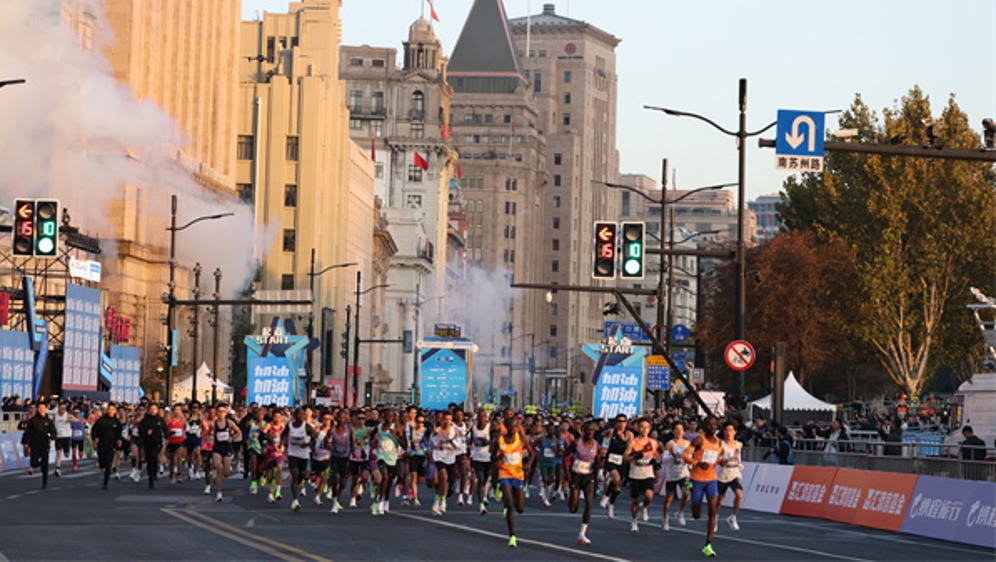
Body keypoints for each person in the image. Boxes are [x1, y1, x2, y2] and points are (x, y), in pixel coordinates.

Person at [682, 415, 722, 558]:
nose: (712, 427)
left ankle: (708, 544)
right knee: (696, 514)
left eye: (714, 425)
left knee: (713, 508)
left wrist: (724, 462)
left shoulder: (718, 442)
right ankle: (692, 503)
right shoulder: (699, 440)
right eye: (710, 425)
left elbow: (718, 459)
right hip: (697, 480)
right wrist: (697, 463)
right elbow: (685, 456)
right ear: (705, 426)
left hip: (711, 480)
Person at [494, 414, 535, 548]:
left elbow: (532, 453)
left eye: (515, 427)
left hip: (518, 475)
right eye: (510, 427)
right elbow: (493, 455)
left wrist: (528, 463)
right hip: (504, 473)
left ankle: (508, 504)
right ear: (506, 427)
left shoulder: (521, 439)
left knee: (520, 508)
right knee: (510, 504)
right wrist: (497, 458)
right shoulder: (500, 440)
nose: (513, 429)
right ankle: (512, 535)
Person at [565, 421, 601, 545]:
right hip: (575, 476)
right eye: (588, 430)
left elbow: (598, 461)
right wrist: (567, 473)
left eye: (592, 431)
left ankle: (582, 533)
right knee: (573, 508)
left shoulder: (596, 446)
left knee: (589, 503)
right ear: (583, 431)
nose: (590, 433)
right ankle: (571, 498)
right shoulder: (576, 443)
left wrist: (600, 474)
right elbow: (565, 455)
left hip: (589, 476)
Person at [624, 418, 659, 532]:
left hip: (648, 473)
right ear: (638, 428)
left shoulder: (653, 443)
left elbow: (656, 457)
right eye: (642, 427)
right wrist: (634, 457)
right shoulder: (633, 442)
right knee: (635, 500)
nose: (644, 429)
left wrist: (655, 462)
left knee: (649, 495)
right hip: (635, 474)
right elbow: (625, 458)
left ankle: (644, 507)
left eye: (647, 427)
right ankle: (634, 521)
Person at [659, 420, 691, 531]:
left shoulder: (687, 444)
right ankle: (665, 517)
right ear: (672, 431)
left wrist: (689, 461)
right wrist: (673, 456)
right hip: (671, 474)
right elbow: (664, 459)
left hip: (684, 473)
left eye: (681, 430)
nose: (679, 432)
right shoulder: (670, 444)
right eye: (676, 429)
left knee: (687, 493)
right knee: (669, 498)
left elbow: (690, 457)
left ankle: (680, 512)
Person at [598, 414, 632, 519]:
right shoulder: (612, 432)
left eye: (624, 421)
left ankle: (611, 503)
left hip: (621, 461)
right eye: (619, 421)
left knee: (617, 484)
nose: (622, 424)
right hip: (611, 460)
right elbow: (603, 436)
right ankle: (606, 496)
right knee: (616, 478)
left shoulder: (629, 434)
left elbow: (630, 447)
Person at [286, 407, 316, 511]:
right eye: (298, 414)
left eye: (302, 415)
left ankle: (296, 485)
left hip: (304, 455)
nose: (300, 416)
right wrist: (282, 442)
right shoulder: (290, 426)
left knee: (303, 477)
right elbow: (283, 435)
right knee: (295, 474)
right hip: (292, 454)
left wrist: (307, 444)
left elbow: (314, 440)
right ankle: (295, 500)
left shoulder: (307, 427)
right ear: (294, 416)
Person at [211, 403, 242, 502]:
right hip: (217, 448)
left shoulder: (229, 423)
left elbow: (238, 432)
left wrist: (232, 438)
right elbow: (207, 433)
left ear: (226, 413)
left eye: (222, 412)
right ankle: (219, 493)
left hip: (227, 448)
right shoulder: (214, 424)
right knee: (217, 467)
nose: (220, 414)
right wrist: (209, 438)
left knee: (226, 473)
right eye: (219, 412)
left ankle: (220, 475)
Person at [717, 420, 744, 531]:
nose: (729, 432)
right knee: (719, 500)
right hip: (723, 475)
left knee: (739, 494)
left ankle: (733, 517)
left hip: (735, 474)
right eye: (727, 430)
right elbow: (717, 458)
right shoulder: (721, 445)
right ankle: (715, 517)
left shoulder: (739, 444)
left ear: (735, 432)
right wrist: (722, 461)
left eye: (731, 430)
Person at [24, 402, 57, 488]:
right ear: (37, 409)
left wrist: (51, 438)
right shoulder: (33, 421)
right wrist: (25, 443)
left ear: (46, 409)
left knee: (45, 465)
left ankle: (44, 482)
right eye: (39, 408)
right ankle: (39, 464)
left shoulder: (48, 421)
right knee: (33, 462)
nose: (41, 409)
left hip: (45, 444)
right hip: (34, 444)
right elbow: (27, 432)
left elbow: (53, 432)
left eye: (43, 408)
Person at [91, 404, 124, 490]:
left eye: (112, 409)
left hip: (111, 445)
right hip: (102, 444)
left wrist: (119, 440)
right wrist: (95, 438)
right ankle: (103, 466)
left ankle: (105, 483)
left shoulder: (117, 422)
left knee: (109, 463)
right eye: (109, 409)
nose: (110, 411)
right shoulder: (101, 420)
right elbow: (94, 430)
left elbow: (119, 433)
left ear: (115, 411)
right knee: (102, 462)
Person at [137, 403, 167, 488]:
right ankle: (151, 477)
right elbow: (140, 431)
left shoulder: (160, 420)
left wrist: (167, 438)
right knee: (150, 460)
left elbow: (165, 429)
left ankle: (155, 471)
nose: (153, 411)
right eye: (151, 409)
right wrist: (146, 433)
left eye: (155, 409)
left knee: (154, 455)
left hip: (158, 443)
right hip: (148, 443)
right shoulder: (145, 420)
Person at [52, 402, 75, 478]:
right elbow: (51, 423)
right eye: (61, 408)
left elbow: (75, 419)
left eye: (64, 408)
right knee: (58, 453)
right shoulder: (55, 416)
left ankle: (67, 452)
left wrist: (72, 420)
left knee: (66, 454)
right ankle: (57, 469)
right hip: (58, 437)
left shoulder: (67, 415)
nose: (63, 410)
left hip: (66, 437)